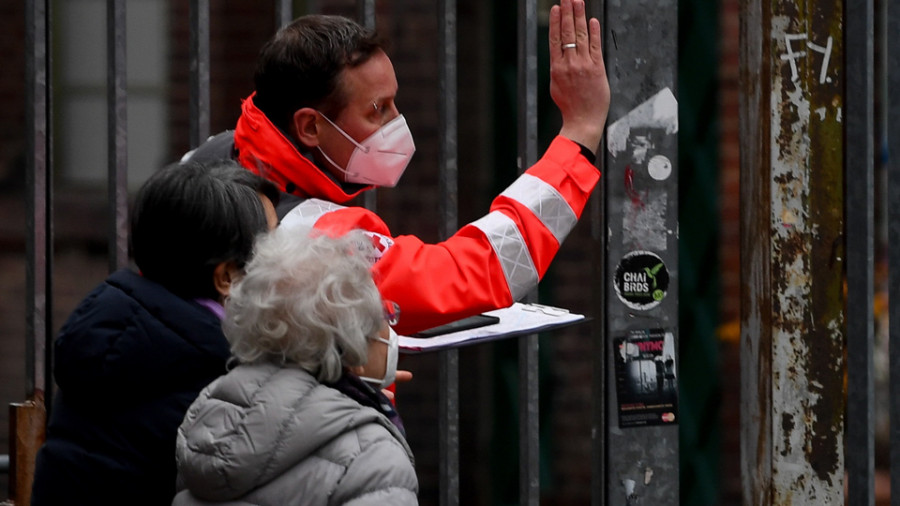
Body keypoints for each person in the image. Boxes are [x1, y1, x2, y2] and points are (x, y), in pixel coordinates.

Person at [183, 0, 609, 335]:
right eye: (377, 111)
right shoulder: (320, 243)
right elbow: (480, 270)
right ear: (310, 126)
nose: (396, 124)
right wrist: (580, 133)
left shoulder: (206, 161)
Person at [30, 160, 280, 506]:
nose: (286, 258)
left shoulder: (122, 331)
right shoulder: (209, 376)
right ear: (227, 278)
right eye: (273, 244)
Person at [172, 227, 418, 506]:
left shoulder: (210, 416)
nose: (386, 327)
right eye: (380, 316)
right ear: (351, 338)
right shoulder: (373, 456)